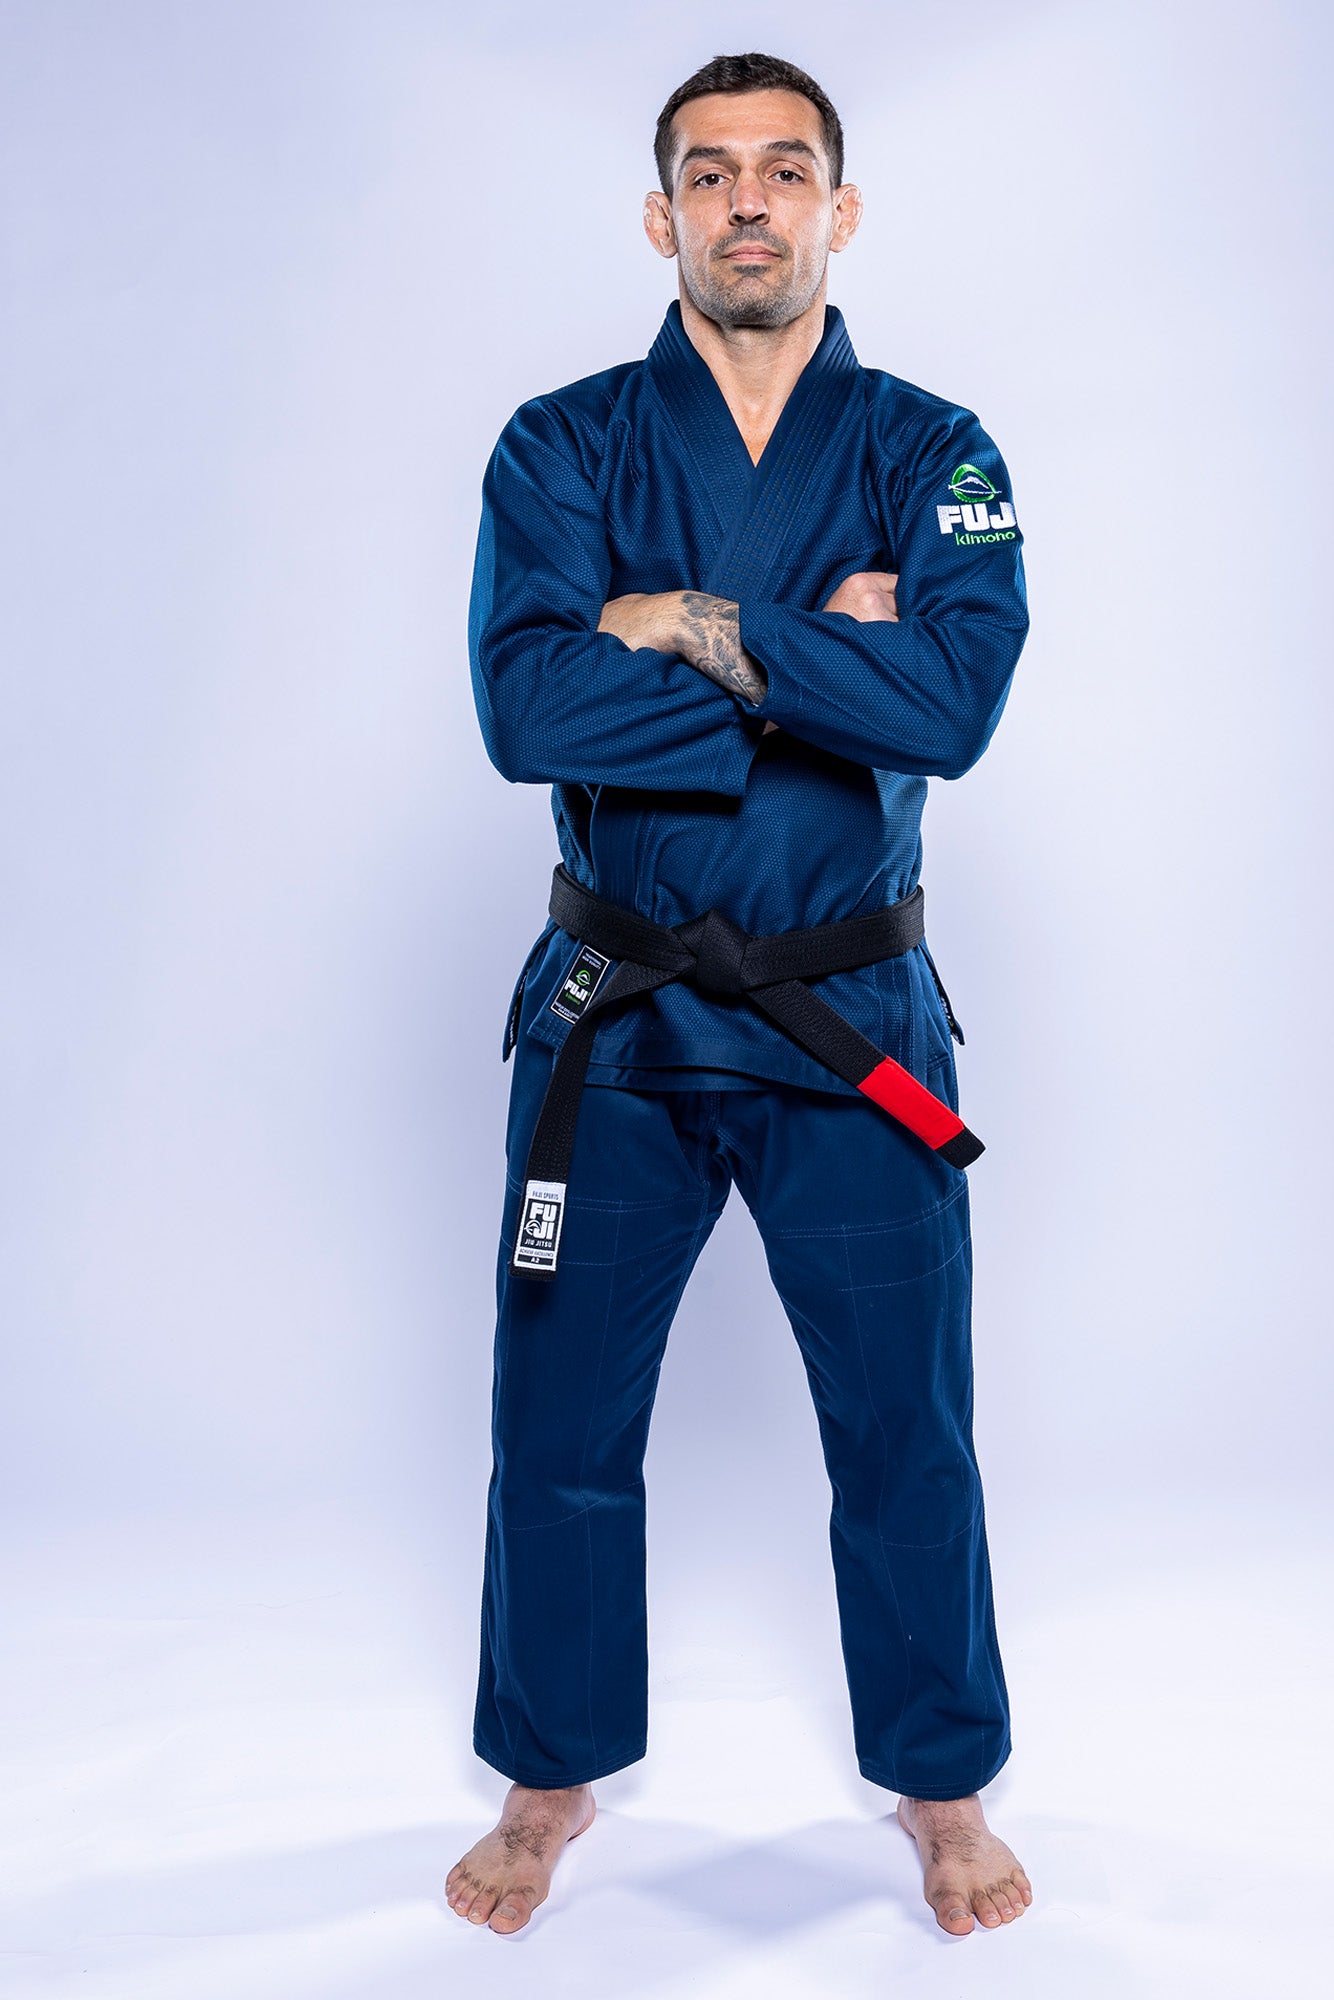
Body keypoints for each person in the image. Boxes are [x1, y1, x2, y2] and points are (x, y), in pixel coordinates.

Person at [446, 51, 1033, 1940]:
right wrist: (817, 652)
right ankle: (549, 1780)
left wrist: (680, 622)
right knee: (556, 1426)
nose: (751, 203)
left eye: (788, 171)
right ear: (664, 217)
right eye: (712, 176)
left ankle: (941, 1789)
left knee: (903, 1428)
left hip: (849, 1025)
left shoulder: (938, 450)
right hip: (613, 1019)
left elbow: (949, 706)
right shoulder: (560, 445)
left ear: (840, 210)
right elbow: (524, 709)